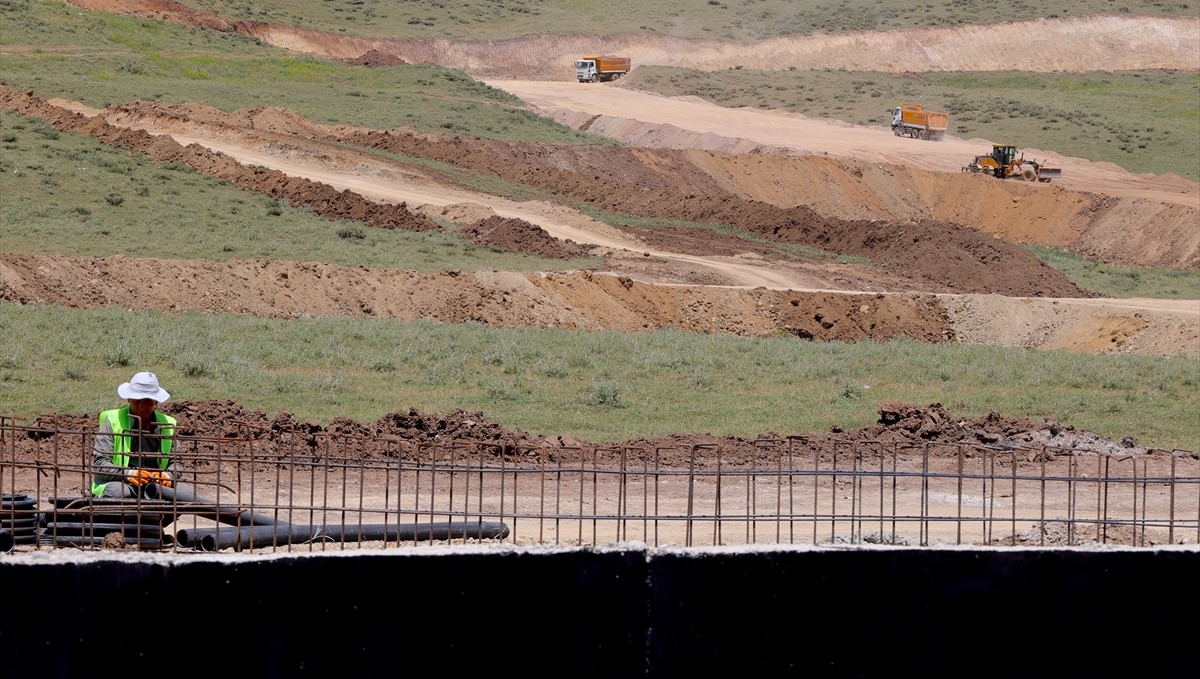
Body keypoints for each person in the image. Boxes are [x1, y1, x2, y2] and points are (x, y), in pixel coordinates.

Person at [91, 371, 183, 498]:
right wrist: (129, 474)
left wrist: (168, 476)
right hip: (121, 482)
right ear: (129, 399)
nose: (142, 406)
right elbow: (100, 463)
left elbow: (177, 462)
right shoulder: (113, 420)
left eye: (147, 401)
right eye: (137, 400)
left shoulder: (168, 424)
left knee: (187, 494)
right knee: (118, 492)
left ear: (156, 401)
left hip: (155, 485)